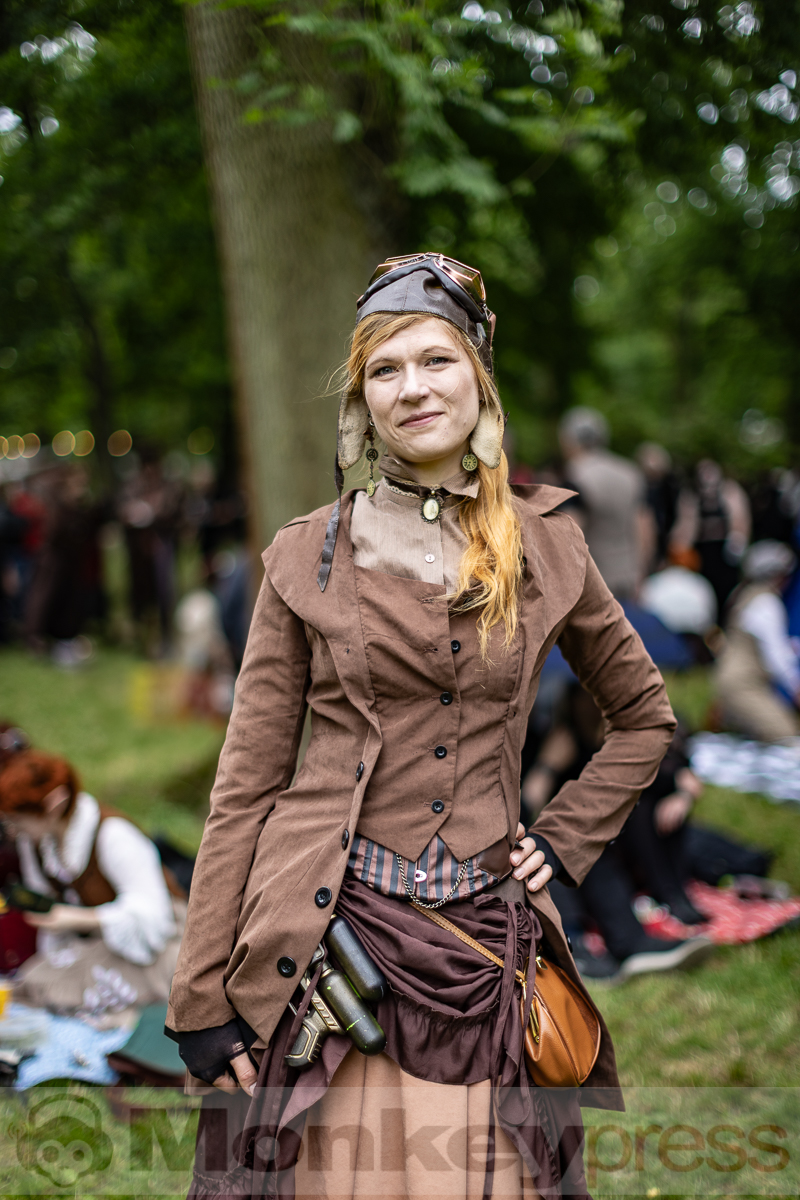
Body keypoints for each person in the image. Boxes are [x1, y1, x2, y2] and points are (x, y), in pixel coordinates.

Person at [166, 253, 678, 1199]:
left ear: (479, 379)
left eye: (436, 360)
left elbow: (644, 717)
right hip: (330, 943)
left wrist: (562, 840)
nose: (413, 388)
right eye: (386, 369)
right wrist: (201, 994)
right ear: (362, 401)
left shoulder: (548, 545)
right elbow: (245, 785)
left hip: (484, 946)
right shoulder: (301, 557)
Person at [0, 748, 185, 1012]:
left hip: (157, 938)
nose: (14, 830)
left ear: (55, 804)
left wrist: (75, 918)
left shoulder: (113, 834)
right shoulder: (37, 843)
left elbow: (151, 916)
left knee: (94, 989)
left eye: (18, 821)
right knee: (36, 982)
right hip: (96, 940)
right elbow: (47, 904)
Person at [558, 407, 655, 600]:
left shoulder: (576, 475)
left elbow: (570, 529)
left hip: (592, 585)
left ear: (569, 441)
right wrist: (641, 573)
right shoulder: (630, 473)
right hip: (628, 579)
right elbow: (645, 527)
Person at [714, 540, 800, 743]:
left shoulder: (745, 595)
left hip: (736, 681)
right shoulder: (766, 602)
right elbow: (777, 657)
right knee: (786, 734)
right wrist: (796, 688)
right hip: (743, 685)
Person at [669, 459, 751, 618]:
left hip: (726, 555)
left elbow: (742, 522)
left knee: (726, 593)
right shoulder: (691, 496)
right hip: (701, 555)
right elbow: (684, 527)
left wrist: (739, 542)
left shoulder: (731, 492)